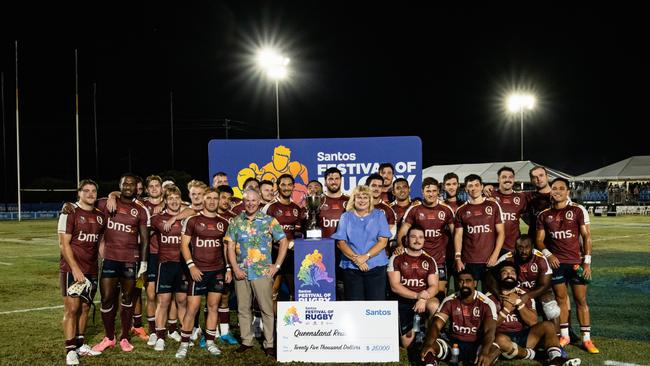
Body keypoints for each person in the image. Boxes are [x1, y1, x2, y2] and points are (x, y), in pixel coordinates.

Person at [536, 178, 599, 353]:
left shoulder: (578, 210)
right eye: (554, 188)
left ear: (568, 192)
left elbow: (586, 237)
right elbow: (539, 240)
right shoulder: (544, 215)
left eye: (561, 188)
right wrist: (549, 255)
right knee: (561, 300)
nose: (557, 191)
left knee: (581, 300)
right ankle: (565, 335)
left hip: (576, 264)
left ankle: (586, 338)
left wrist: (587, 263)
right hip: (557, 265)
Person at [225, 188, 289, 358]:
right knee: (243, 308)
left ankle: (269, 344)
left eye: (254, 200)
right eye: (247, 200)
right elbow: (230, 247)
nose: (251, 203)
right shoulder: (236, 222)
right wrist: (234, 268)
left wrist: (276, 266)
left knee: (267, 309)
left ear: (259, 200)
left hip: (262, 272)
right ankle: (246, 341)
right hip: (242, 272)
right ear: (243, 202)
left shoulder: (269, 221)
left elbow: (283, 241)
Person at [92, 174, 150, 353]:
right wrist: (68, 206)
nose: (128, 187)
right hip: (110, 259)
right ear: (120, 185)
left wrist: (144, 263)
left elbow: (145, 240)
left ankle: (125, 336)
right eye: (125, 183)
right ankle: (109, 337)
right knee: (107, 298)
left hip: (129, 261)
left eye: (132, 184)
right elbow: (84, 205)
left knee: (127, 298)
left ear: (136, 188)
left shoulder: (140, 210)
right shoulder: (105, 203)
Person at [175, 188, 231, 359]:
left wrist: (228, 268)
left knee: (213, 307)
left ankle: (210, 342)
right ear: (203, 200)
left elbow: (226, 247)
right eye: (209, 198)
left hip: (217, 271)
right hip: (198, 271)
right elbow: (183, 245)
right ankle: (184, 344)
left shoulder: (224, 222)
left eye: (216, 198)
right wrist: (191, 266)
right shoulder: (192, 220)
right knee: (192, 308)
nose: (213, 201)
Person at [490, 262, 581, 365]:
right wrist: (506, 310)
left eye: (512, 272)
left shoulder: (525, 295)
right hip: (501, 336)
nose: (509, 275)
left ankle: (556, 359)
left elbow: (533, 321)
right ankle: (535, 355)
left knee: (548, 325)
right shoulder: (490, 297)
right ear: (499, 276)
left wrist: (519, 303)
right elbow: (488, 327)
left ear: (516, 276)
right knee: (500, 340)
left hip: (523, 336)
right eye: (505, 272)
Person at [59, 179, 105, 365]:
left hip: (92, 270)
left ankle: (80, 343)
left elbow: (100, 243)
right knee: (72, 309)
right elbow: (64, 244)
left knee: (85, 307)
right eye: (86, 191)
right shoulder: (69, 212)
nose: (90, 194)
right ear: (79, 193)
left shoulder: (100, 216)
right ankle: (70, 350)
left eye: (93, 191)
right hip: (72, 269)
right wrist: (76, 269)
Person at [420, 270, 498, 366]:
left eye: (468, 281)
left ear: (475, 283)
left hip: (477, 344)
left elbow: (490, 331)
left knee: (493, 350)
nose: (464, 284)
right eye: (461, 281)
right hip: (454, 345)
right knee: (430, 346)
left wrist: (484, 352)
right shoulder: (450, 300)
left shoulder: (487, 303)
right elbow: (436, 324)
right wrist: (428, 344)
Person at [396, 177, 454, 297]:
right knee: (418, 292)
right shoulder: (414, 209)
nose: (431, 194)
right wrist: (401, 246)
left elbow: (456, 233)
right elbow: (403, 232)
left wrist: (457, 253)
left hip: (439, 259)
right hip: (419, 258)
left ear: (438, 191)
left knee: (439, 293)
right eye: (428, 191)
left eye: (433, 191)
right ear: (422, 191)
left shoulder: (446, 209)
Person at [331, 185, 391, 300]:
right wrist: (357, 260)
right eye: (358, 197)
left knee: (375, 306)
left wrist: (366, 257)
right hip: (352, 268)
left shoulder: (379, 215)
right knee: (355, 306)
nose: (362, 200)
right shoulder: (346, 217)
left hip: (376, 267)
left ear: (370, 199)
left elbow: (383, 242)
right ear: (353, 199)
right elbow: (341, 243)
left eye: (365, 197)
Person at [387, 225, 440, 349]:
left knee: (434, 305)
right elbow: (395, 286)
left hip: (424, 299)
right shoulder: (396, 258)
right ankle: (418, 327)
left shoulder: (430, 259)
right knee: (407, 344)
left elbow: (434, 286)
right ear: (406, 240)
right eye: (413, 237)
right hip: (404, 300)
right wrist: (417, 296)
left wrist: (422, 299)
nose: (417, 240)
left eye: (421, 237)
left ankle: (430, 334)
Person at [149, 186, 186, 351]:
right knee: (163, 302)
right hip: (165, 265)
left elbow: (192, 210)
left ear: (181, 199)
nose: (174, 201)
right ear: (165, 201)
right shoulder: (157, 218)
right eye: (170, 198)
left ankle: (185, 336)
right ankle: (160, 337)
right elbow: (143, 231)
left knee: (182, 301)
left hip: (183, 265)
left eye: (176, 198)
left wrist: (174, 218)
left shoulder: (186, 217)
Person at [262, 174, 306, 311]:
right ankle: (272, 325)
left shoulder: (296, 208)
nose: (286, 188)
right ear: (278, 186)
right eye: (283, 185)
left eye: (289, 185)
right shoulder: (270, 207)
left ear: (293, 187)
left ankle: (292, 324)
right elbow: (263, 231)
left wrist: (292, 242)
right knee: (273, 290)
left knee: (295, 290)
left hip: (291, 254)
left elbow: (298, 232)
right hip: (273, 253)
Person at [453, 174, 505, 287]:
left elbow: (501, 233)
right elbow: (458, 235)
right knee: (470, 295)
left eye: (477, 185)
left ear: (482, 187)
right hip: (469, 260)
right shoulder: (461, 210)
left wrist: (495, 255)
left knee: (491, 294)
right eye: (470, 186)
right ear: (466, 189)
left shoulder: (493, 205)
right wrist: (458, 258)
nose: (474, 188)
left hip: (489, 259)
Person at [496, 235, 560, 325]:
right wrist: (499, 294)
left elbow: (545, 285)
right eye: (520, 248)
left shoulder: (540, 259)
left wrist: (527, 296)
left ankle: (557, 336)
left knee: (551, 308)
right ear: (515, 248)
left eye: (527, 247)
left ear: (532, 247)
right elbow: (490, 278)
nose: (524, 251)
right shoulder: (506, 258)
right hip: (515, 292)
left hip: (536, 292)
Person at [491, 167, 528, 252]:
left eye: (510, 177)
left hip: (513, 246)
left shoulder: (521, 197)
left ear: (514, 179)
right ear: (498, 179)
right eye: (504, 177)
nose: (507, 180)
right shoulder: (490, 195)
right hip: (492, 246)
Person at [366, 173, 397, 239]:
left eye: (379, 186)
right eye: (374, 185)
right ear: (367, 187)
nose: (376, 189)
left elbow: (391, 235)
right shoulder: (358, 208)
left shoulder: (388, 210)